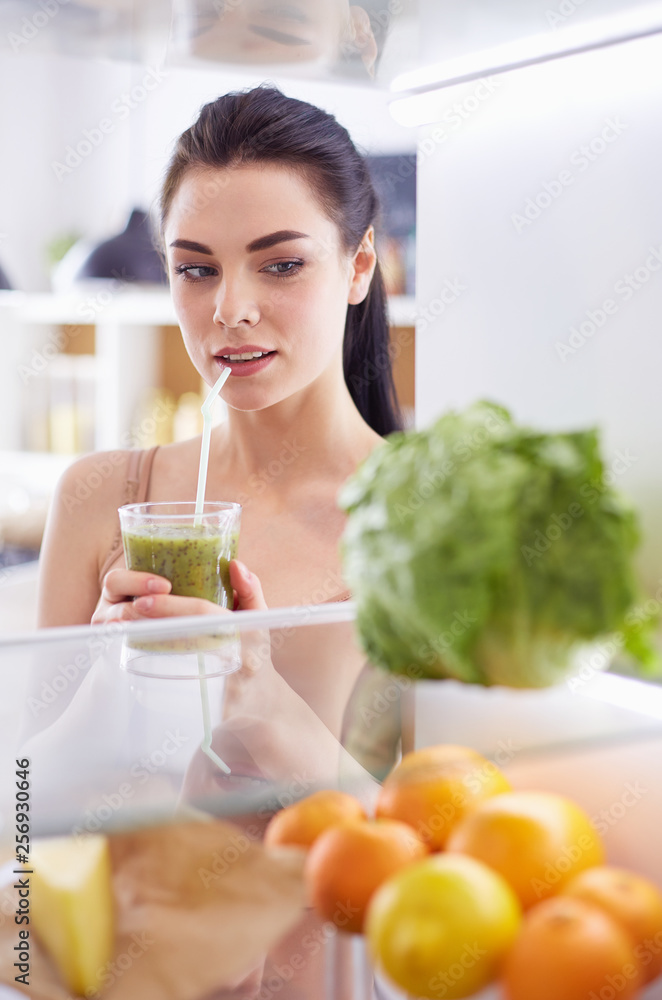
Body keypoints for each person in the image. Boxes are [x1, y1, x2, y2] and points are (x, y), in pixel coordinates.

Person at [37, 84, 403, 779]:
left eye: (281, 264)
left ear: (358, 265)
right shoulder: (98, 497)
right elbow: (18, 831)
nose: (230, 309)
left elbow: (451, 858)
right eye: (197, 269)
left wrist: (264, 708)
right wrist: (99, 699)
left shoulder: (428, 524)